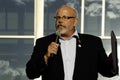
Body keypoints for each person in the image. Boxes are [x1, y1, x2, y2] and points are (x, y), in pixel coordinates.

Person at [26, 5, 118, 80]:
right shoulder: (43, 43)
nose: (60, 21)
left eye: (65, 17)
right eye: (58, 17)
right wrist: (45, 56)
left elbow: (107, 72)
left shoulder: (93, 42)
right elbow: (31, 73)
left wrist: (112, 62)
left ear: (75, 22)